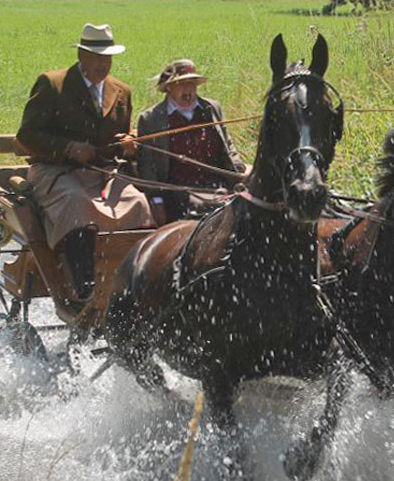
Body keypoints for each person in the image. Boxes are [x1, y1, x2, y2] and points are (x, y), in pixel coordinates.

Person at [15, 22, 153, 301]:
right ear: (81, 55)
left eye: (108, 58)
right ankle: (85, 287)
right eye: (97, 57)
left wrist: (130, 143)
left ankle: (131, 283)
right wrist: (68, 148)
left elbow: (122, 135)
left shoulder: (121, 91)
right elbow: (27, 135)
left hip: (104, 173)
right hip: (55, 171)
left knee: (138, 203)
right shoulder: (53, 84)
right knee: (77, 204)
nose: (103, 64)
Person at [136, 59, 248, 225]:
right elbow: (148, 165)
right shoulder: (151, 119)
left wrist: (238, 172)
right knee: (208, 210)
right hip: (177, 190)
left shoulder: (211, 109)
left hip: (217, 184)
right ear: (168, 87)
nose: (188, 89)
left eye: (192, 83)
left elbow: (228, 146)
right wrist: (156, 200)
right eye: (181, 84)